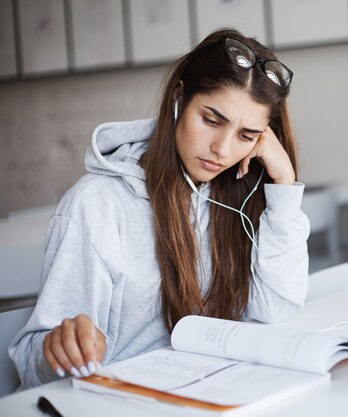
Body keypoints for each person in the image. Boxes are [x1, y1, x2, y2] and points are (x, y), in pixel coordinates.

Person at [9, 29, 310, 388]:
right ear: (179, 99)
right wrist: (57, 349)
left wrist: (284, 186)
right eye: (212, 120)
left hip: (207, 390)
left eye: (246, 135)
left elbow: (274, 309)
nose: (222, 149)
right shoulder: (97, 204)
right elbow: (32, 367)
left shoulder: (233, 193)